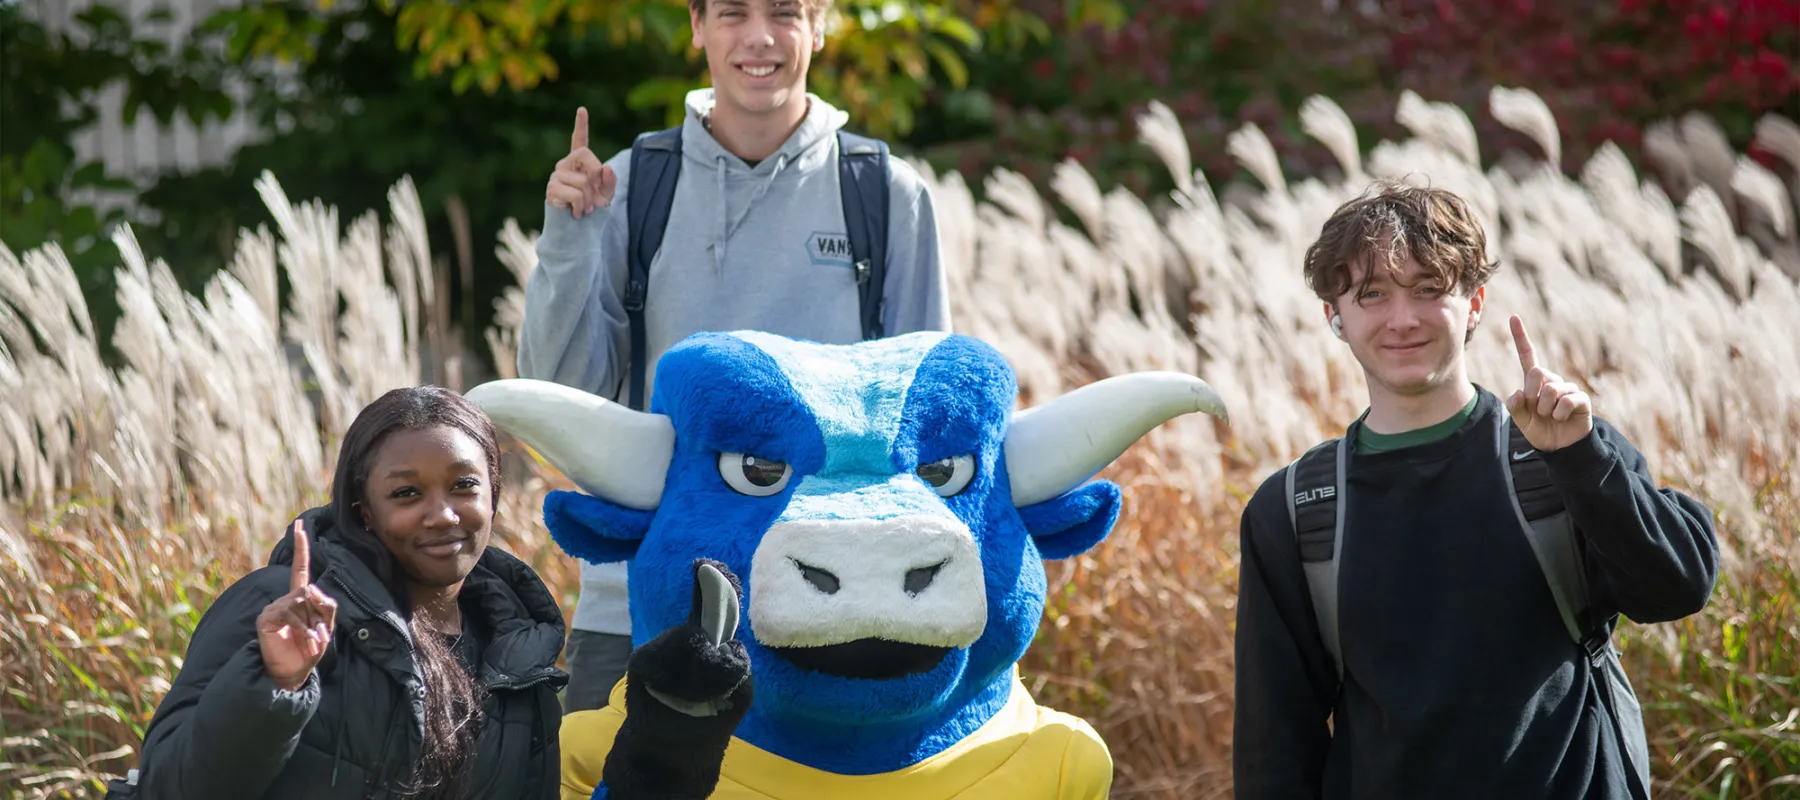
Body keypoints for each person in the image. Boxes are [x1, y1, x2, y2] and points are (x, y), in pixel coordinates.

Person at [518, 0, 951, 714]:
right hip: (642, 602)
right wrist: (567, 241)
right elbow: (561, 390)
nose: (758, 37)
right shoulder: (631, 184)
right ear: (696, 26)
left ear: (819, 26)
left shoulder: (883, 192)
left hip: (835, 608)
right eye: (731, 12)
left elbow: (923, 425)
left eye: (784, 12)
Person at [1231, 183, 1720, 799]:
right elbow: (1274, 747)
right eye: (1372, 294)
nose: (1402, 319)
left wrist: (1581, 459)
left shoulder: (1561, 448)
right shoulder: (1296, 510)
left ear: (1475, 303)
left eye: (1428, 289)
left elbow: (1678, 587)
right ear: (1335, 315)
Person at [105, 386, 568, 799]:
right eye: (407, 493)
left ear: (494, 494)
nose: (443, 515)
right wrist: (274, 684)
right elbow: (170, 787)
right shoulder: (285, 610)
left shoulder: (518, 651)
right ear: (364, 511)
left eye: (464, 485)